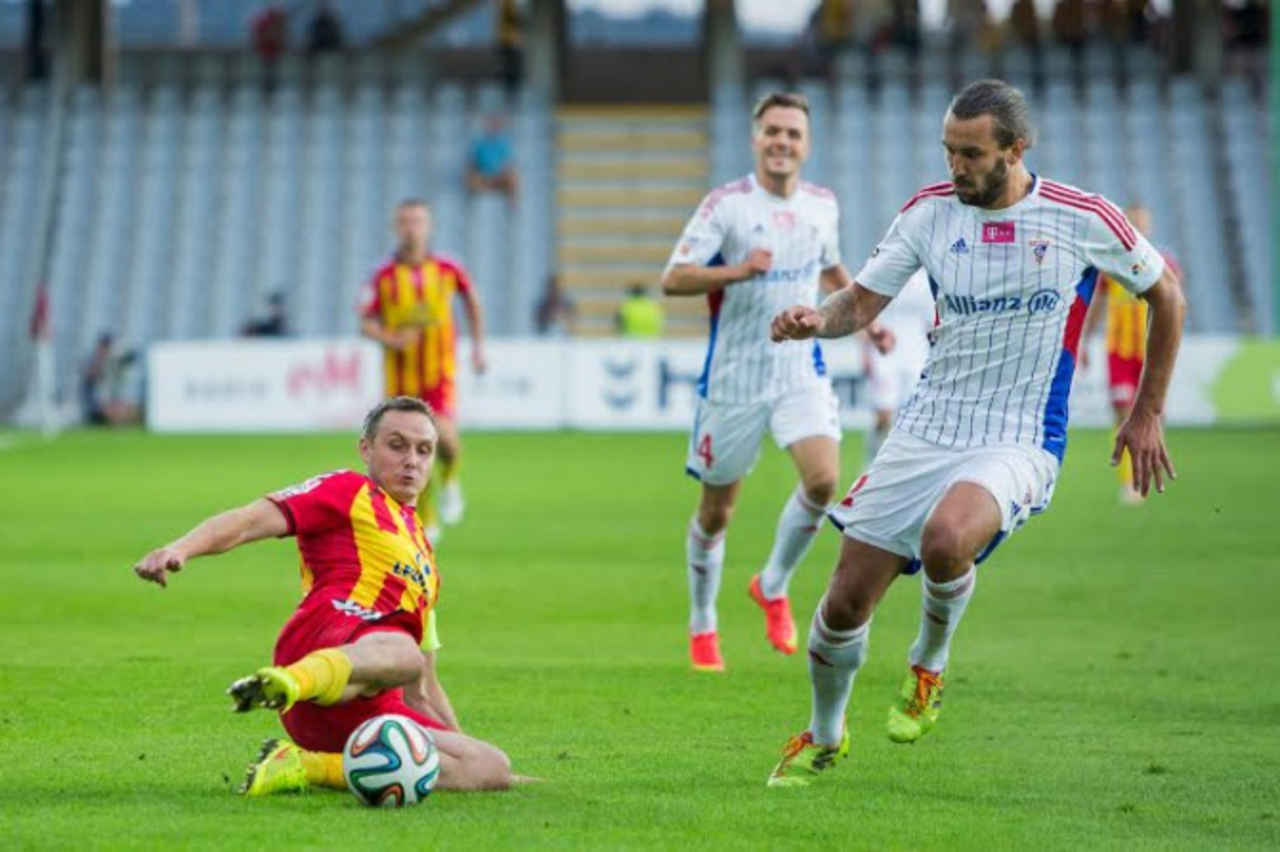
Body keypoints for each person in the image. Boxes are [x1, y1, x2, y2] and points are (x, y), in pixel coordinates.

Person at [765, 79, 1185, 786]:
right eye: (948, 151)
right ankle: (825, 735)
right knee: (842, 602)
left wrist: (1147, 410)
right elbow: (859, 302)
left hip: (1020, 435)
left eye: (971, 154)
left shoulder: (1080, 217)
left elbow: (1165, 295)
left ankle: (927, 666)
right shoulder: (929, 214)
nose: (956, 166)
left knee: (946, 538)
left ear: (1016, 149)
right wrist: (817, 318)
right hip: (926, 427)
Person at [132, 397, 514, 794]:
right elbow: (249, 521)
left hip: (369, 713)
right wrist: (180, 548)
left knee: (491, 766)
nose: (411, 461)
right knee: (404, 653)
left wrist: (461, 753)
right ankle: (283, 684)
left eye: (424, 450)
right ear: (366, 449)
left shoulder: (426, 562)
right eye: (397, 445)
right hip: (318, 649)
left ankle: (306, 765)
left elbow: (422, 690)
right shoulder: (348, 490)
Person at [661, 91, 892, 673]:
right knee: (717, 512)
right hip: (734, 379)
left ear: (806, 146)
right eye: (773, 131)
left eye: (793, 134)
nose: (782, 142)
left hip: (799, 371)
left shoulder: (822, 205)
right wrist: (739, 269)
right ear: (755, 138)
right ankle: (703, 622)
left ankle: (772, 584)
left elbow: (832, 269)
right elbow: (674, 278)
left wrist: (868, 323)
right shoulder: (727, 206)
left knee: (824, 480)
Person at [359, 200, 487, 542]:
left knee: (447, 442)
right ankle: (427, 515)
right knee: (411, 448)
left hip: (438, 374)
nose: (411, 228)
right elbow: (366, 322)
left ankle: (450, 479)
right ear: (396, 227)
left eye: (417, 221)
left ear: (428, 227)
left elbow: (472, 300)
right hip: (400, 379)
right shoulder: (382, 275)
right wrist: (391, 338)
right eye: (405, 221)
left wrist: (478, 347)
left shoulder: (447, 268)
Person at [1081, 203, 1183, 505]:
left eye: (1143, 221)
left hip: (1151, 351)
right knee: (1123, 413)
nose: (1138, 226)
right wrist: (1085, 340)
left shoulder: (1164, 262)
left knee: (1154, 414)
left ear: (1149, 225)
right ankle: (1129, 482)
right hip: (1119, 352)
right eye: (1133, 221)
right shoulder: (1110, 262)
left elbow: (1175, 305)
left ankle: (1147, 470)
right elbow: (1098, 305)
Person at [861, 268, 932, 467]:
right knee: (883, 415)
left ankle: (901, 467)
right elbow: (864, 314)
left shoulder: (926, 281)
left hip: (916, 354)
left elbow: (932, 323)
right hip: (884, 353)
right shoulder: (882, 272)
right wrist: (864, 352)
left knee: (911, 419)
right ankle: (869, 464)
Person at [82, 333, 140, 426]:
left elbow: (131, 357)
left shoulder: (115, 356)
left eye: (104, 347)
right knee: (109, 406)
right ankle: (114, 424)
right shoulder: (98, 359)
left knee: (121, 406)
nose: (103, 350)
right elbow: (91, 374)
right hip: (106, 389)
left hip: (118, 387)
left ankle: (120, 424)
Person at [467, 115, 519, 199]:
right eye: (491, 125)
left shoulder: (503, 144)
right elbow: (474, 161)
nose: (493, 128)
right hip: (483, 175)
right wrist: (481, 173)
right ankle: (472, 201)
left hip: (498, 176)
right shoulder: (480, 144)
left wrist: (498, 173)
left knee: (512, 177)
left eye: (495, 125)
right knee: (471, 177)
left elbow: (507, 163)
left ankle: (512, 203)